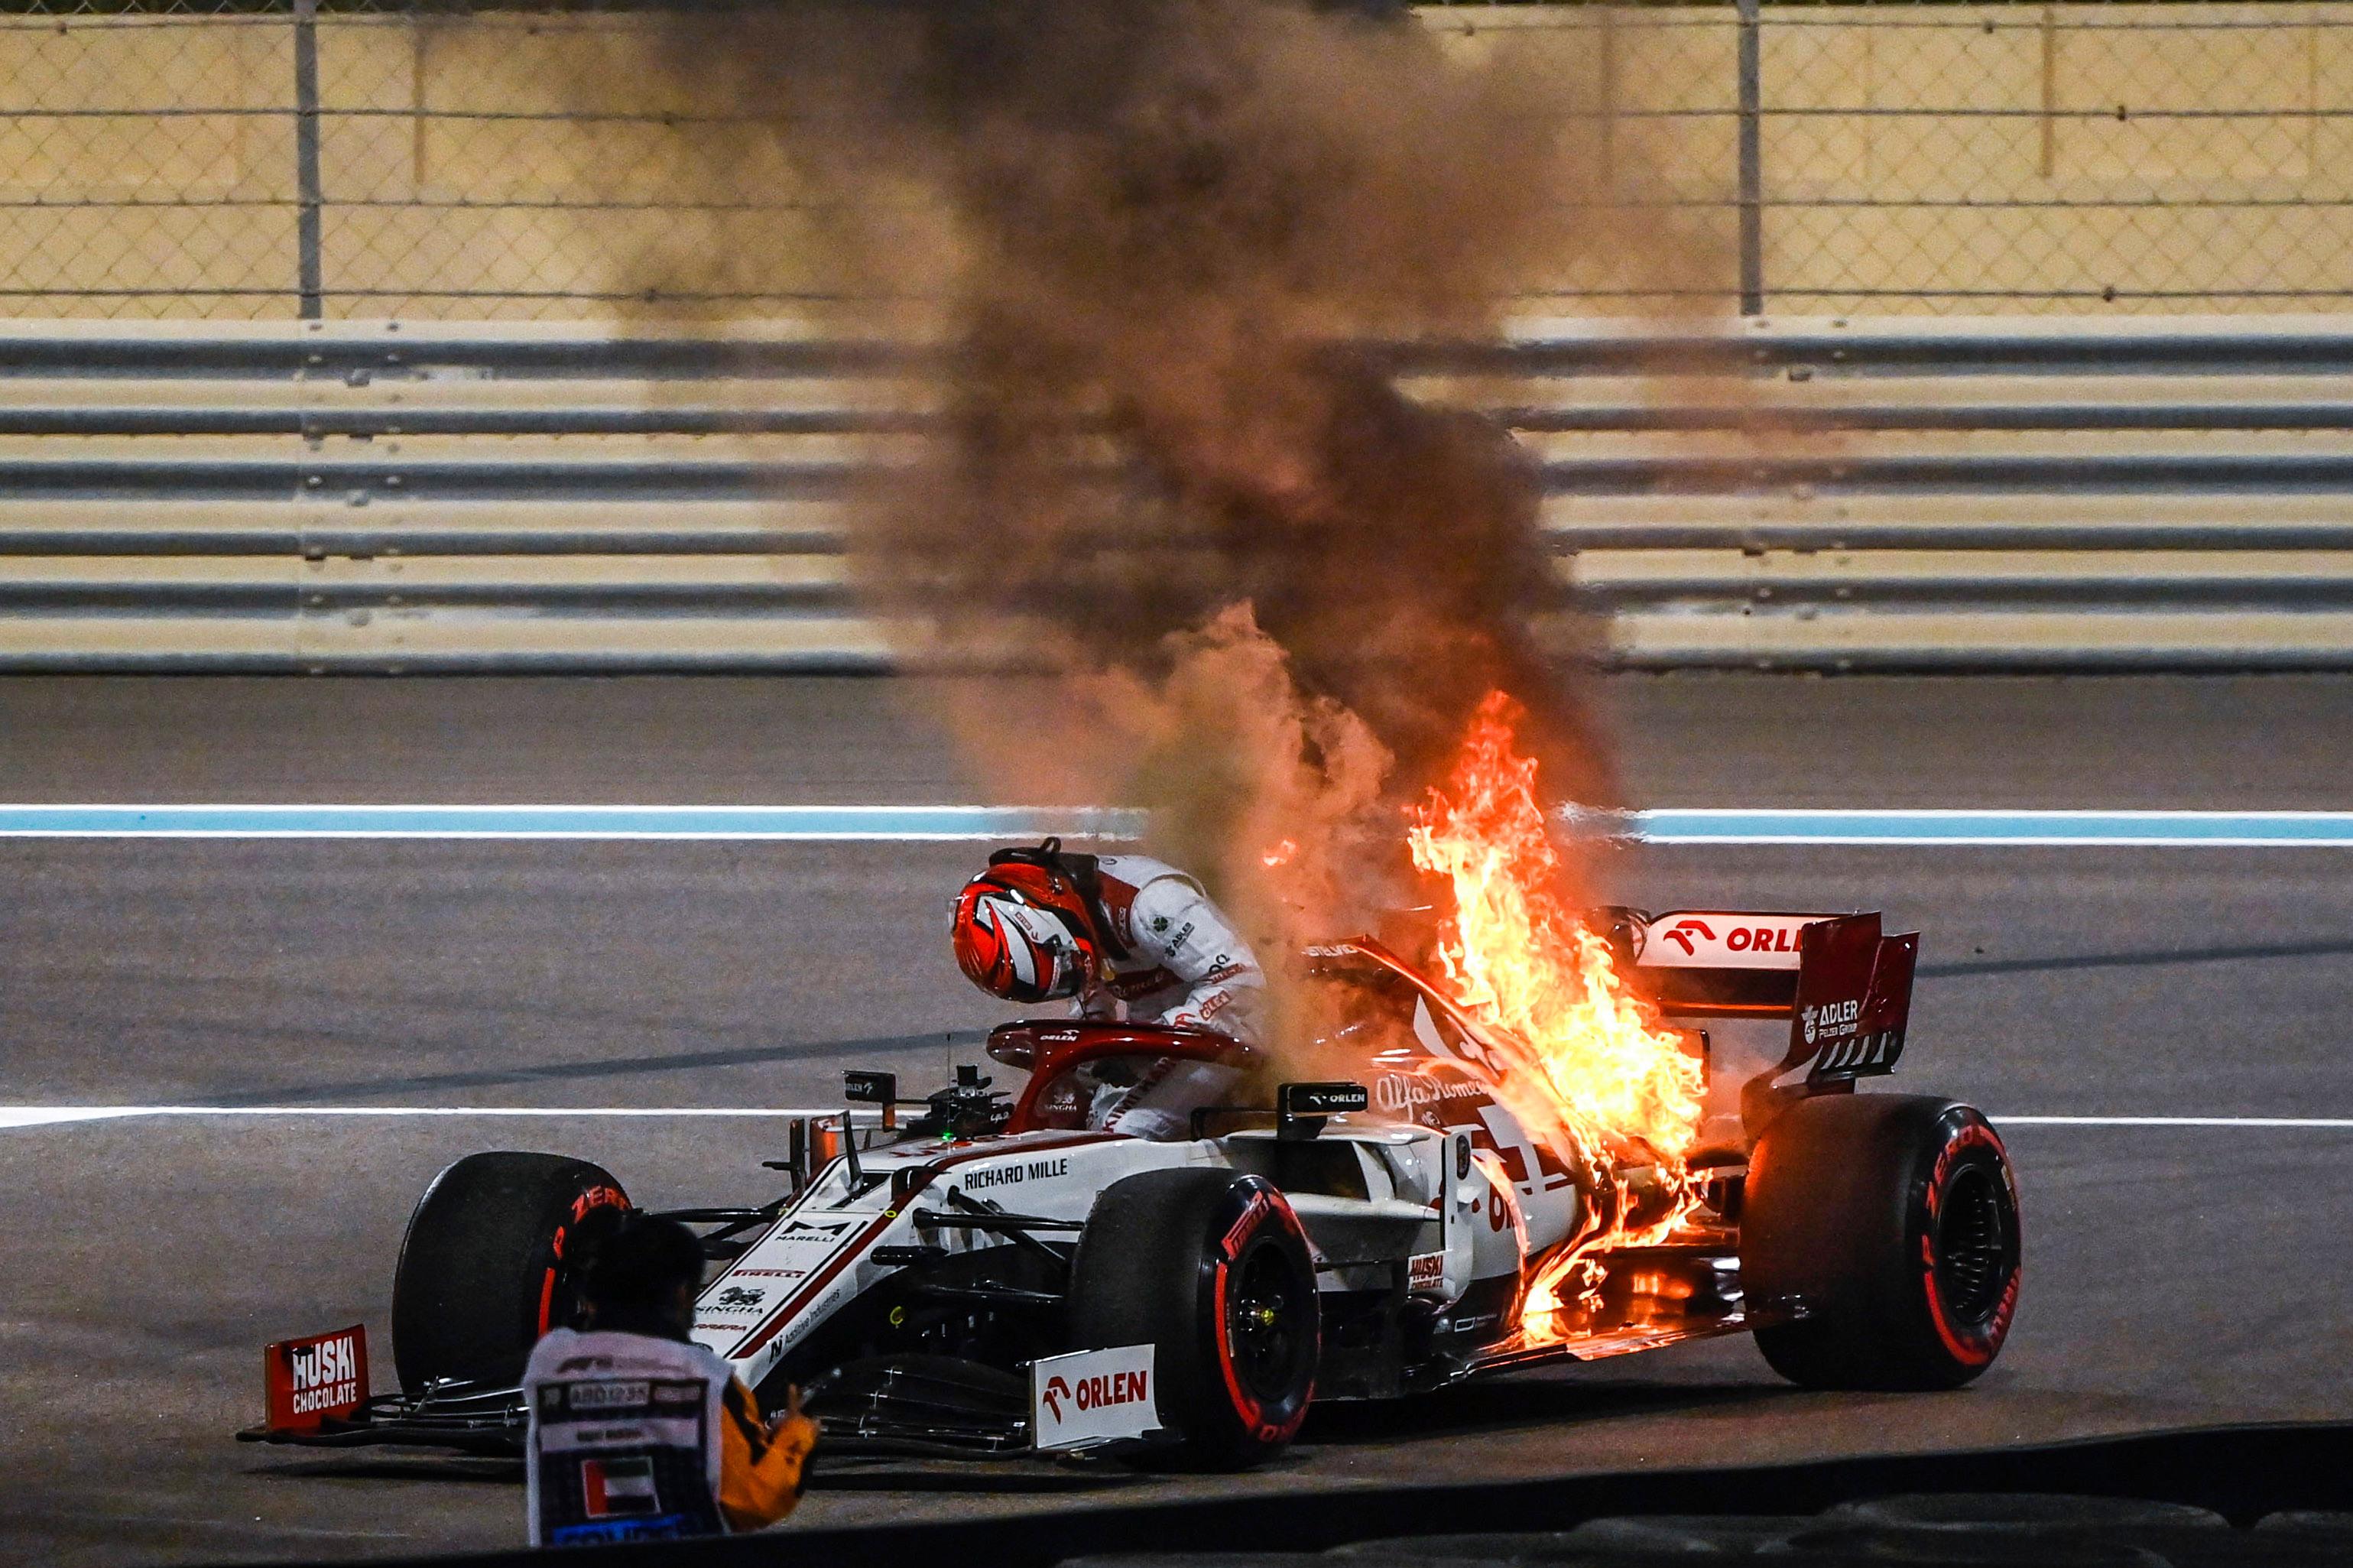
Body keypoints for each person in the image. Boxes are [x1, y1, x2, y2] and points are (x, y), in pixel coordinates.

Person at [522, 1211, 816, 1547]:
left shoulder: (548, 1363)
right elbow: (755, 1501)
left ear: (593, 1294)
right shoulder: (707, 1379)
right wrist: (797, 1435)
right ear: (681, 1294)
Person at [949, 838, 1265, 1138]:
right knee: (1075, 1116)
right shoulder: (1073, 909)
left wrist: (1142, 1047)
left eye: (1065, 973)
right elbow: (1090, 997)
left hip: (1233, 1033)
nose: (1069, 981)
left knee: (1123, 1127)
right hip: (1167, 1041)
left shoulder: (1154, 903)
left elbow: (1241, 979)